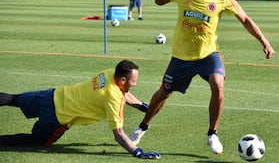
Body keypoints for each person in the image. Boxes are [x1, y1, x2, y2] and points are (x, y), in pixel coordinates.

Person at [129, 0, 275, 155]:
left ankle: (212, 134)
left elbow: (245, 19)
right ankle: (143, 127)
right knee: (163, 94)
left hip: (209, 54)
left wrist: (264, 41)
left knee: (218, 85)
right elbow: (160, 0)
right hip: (182, 56)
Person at [0, 60, 161, 159]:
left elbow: (124, 92)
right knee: (38, 141)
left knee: (13, 99)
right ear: (123, 79)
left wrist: (143, 106)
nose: (135, 83)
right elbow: (119, 135)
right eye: (134, 80)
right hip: (57, 118)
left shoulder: (110, 73)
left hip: (53, 95)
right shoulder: (114, 99)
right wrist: (137, 152)